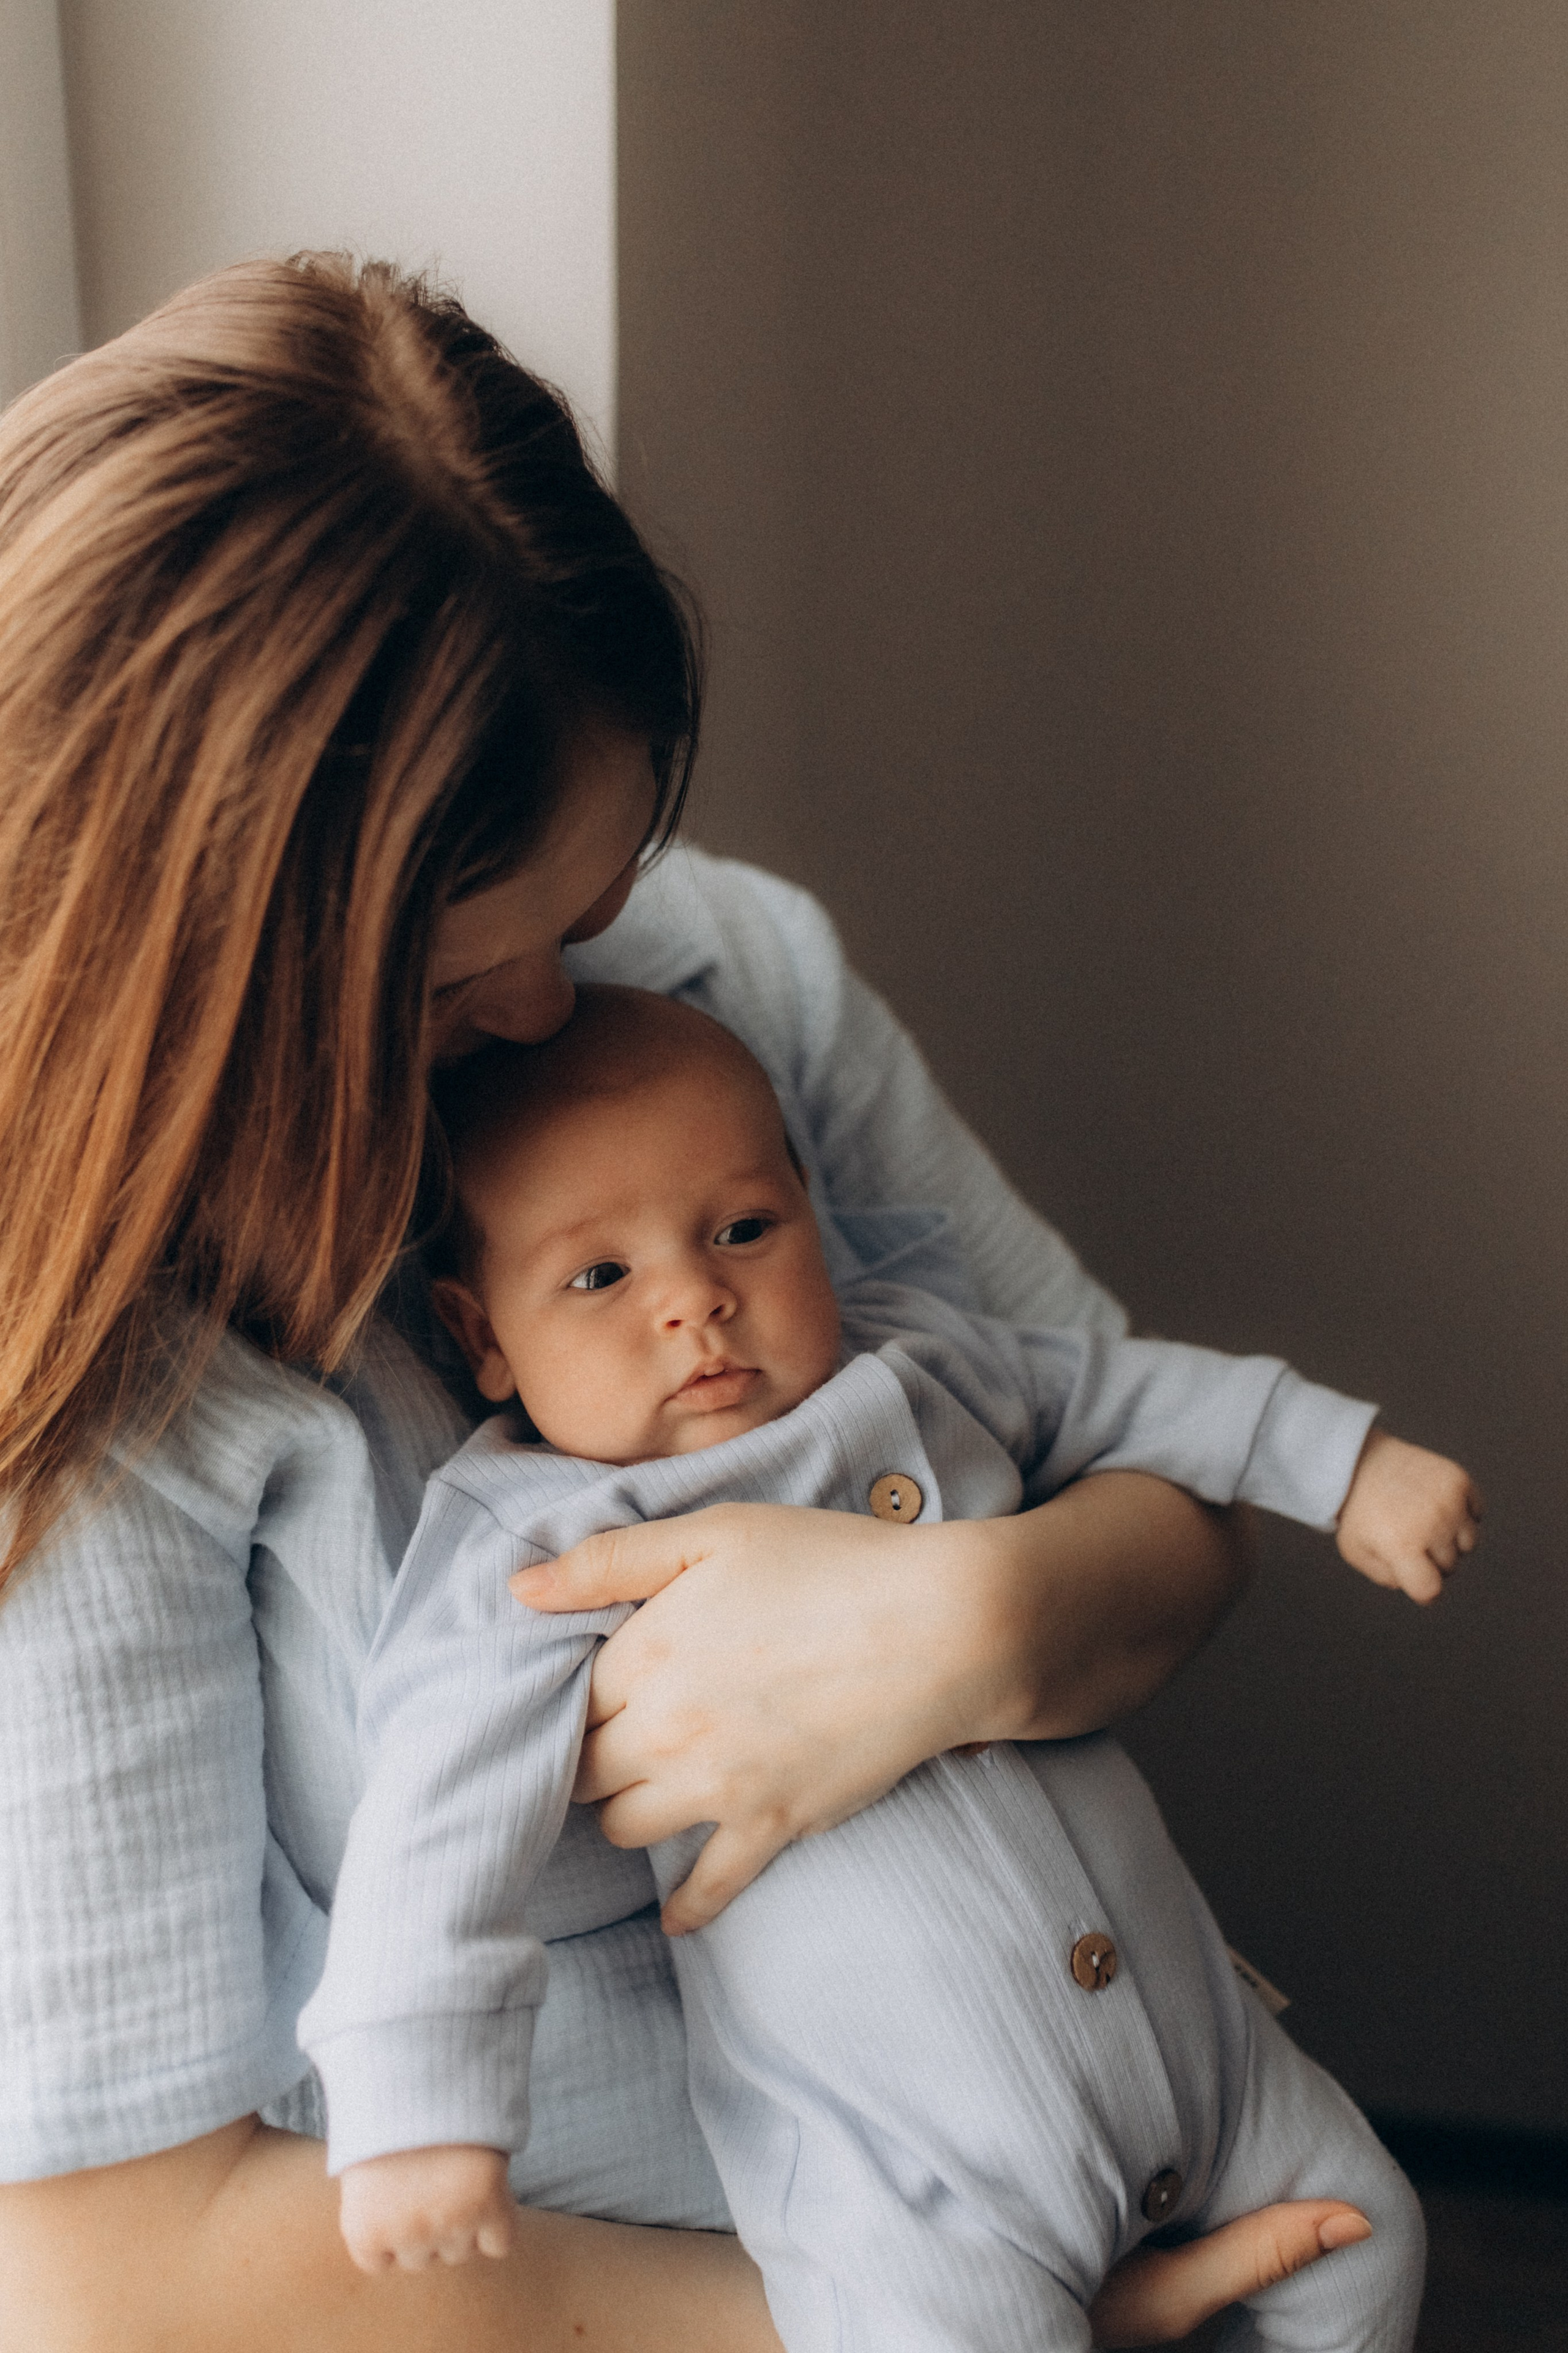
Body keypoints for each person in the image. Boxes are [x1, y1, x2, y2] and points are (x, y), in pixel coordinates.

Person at [0, 253, 1377, 2352]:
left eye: (597, 901)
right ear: (224, 956)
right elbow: (112, 2271)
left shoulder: (723, 991)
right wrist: (923, 2306)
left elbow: (1173, 1504)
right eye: (464, 982)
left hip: (1096, 2156)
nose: (568, 1010)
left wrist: (964, 1626)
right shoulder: (90, 1346)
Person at [302, 986, 1464, 2348]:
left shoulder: (919, 1361)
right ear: (480, 1333)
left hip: (1206, 2059)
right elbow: (433, 1814)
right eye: (599, 1276)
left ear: (810, 1213)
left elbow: (1133, 1391)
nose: (695, 1300)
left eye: (741, 1228)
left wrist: (1345, 1462)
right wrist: (416, 2094)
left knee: (1366, 2244)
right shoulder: (533, 1535)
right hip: (911, 2177)